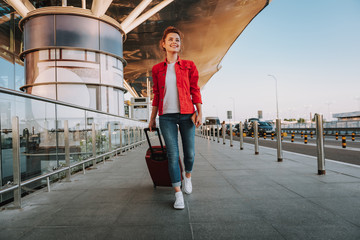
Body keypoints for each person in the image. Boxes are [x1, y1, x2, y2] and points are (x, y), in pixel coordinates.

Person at [148, 26, 202, 210]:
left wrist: (199, 111)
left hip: (187, 114)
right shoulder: (157, 69)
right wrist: (152, 118)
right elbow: (156, 94)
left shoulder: (189, 65)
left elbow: (195, 89)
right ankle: (178, 194)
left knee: (190, 154)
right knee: (172, 155)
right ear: (163, 44)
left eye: (177, 40)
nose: (174, 42)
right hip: (166, 117)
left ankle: (188, 176)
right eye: (170, 39)